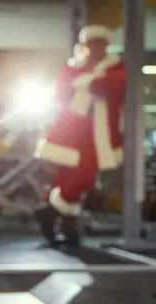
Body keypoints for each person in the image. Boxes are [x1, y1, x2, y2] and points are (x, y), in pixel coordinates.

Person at [34, 25, 126, 246]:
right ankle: (68, 226)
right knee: (66, 176)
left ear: (106, 44)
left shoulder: (115, 66)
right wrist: (89, 84)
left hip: (99, 132)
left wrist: (81, 84)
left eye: (100, 42)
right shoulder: (72, 67)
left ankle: (51, 212)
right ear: (85, 45)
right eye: (91, 43)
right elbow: (60, 90)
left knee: (86, 172)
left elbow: (113, 87)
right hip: (70, 129)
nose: (95, 47)